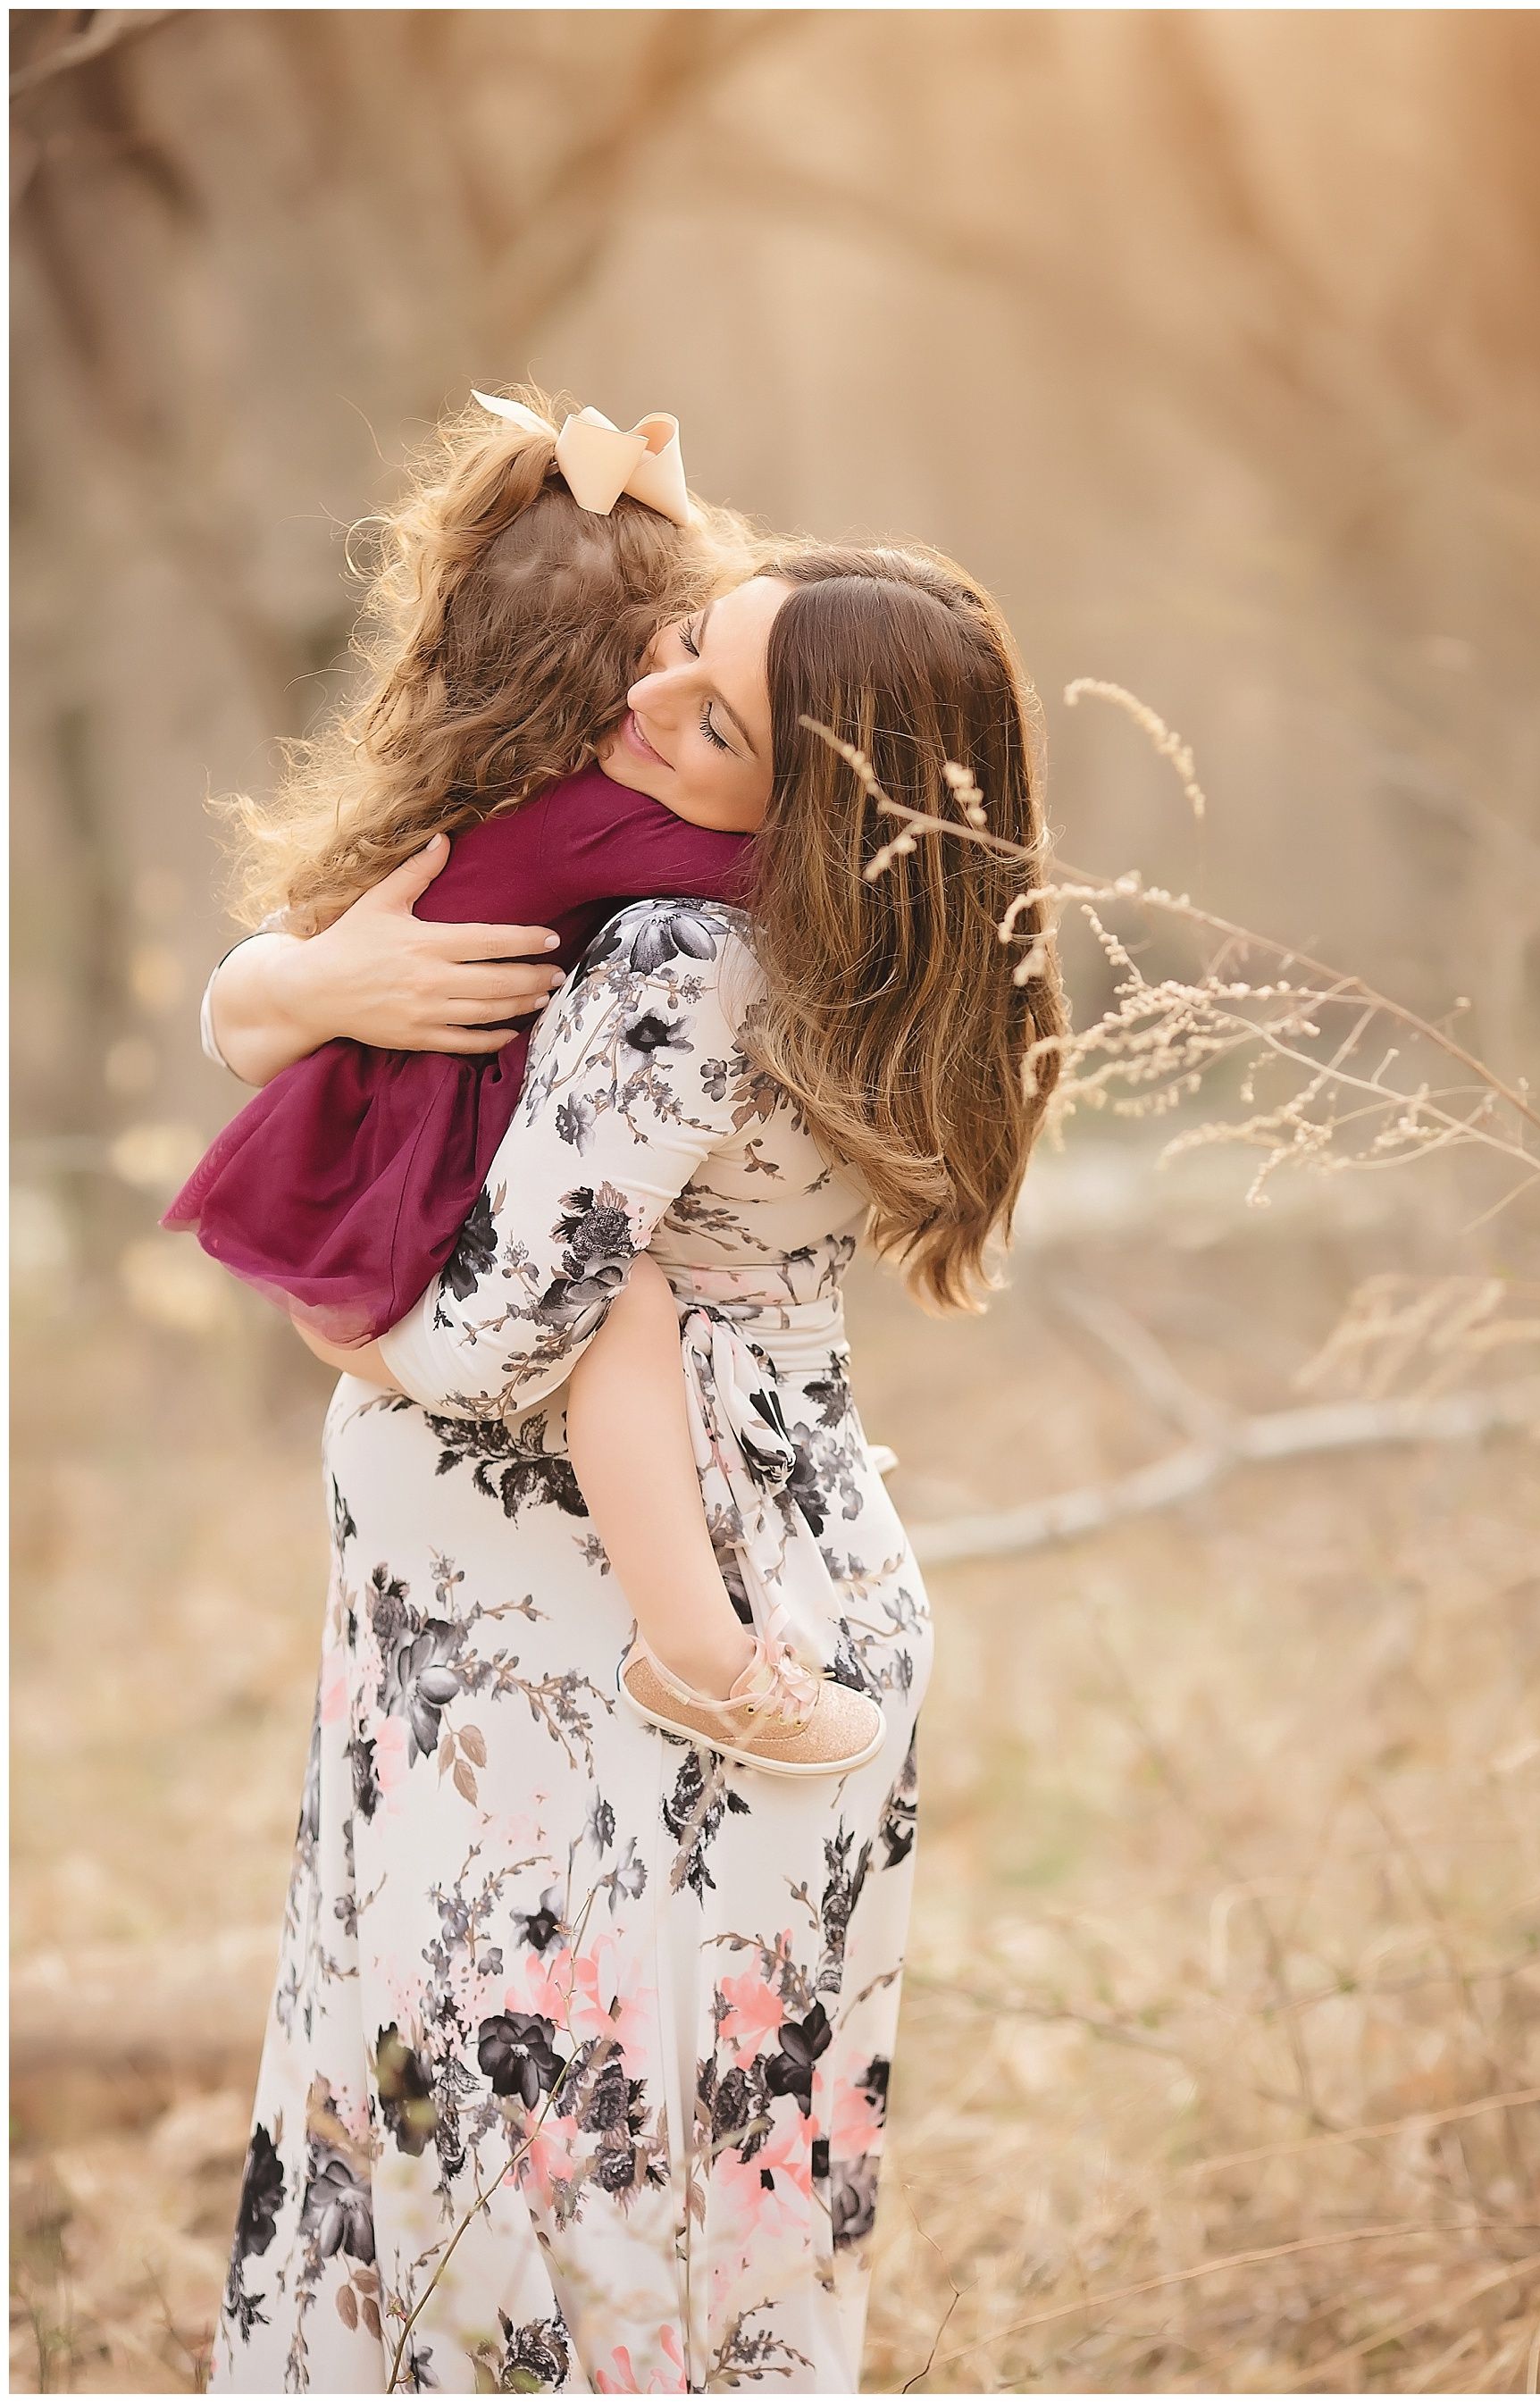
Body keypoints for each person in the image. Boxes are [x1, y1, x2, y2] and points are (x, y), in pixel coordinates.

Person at [202, 538, 1068, 2394]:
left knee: (527, 2197)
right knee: (735, 2180)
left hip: (579, 1636)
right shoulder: (896, 963)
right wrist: (270, 993)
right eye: (685, 641)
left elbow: (515, 1325)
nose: (650, 701)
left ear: (817, 797)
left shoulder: (686, 955)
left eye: (721, 715)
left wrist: (343, 1327)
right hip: (798, 1583)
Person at [165, 385, 883, 1776]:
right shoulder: (598, 823)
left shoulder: (495, 786)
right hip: (415, 1162)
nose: (664, 701)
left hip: (369, 1146)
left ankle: (364, 1339)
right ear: (593, 669)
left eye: (708, 678)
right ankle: (704, 1657)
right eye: (669, 650)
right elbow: (796, 865)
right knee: (629, 1306)